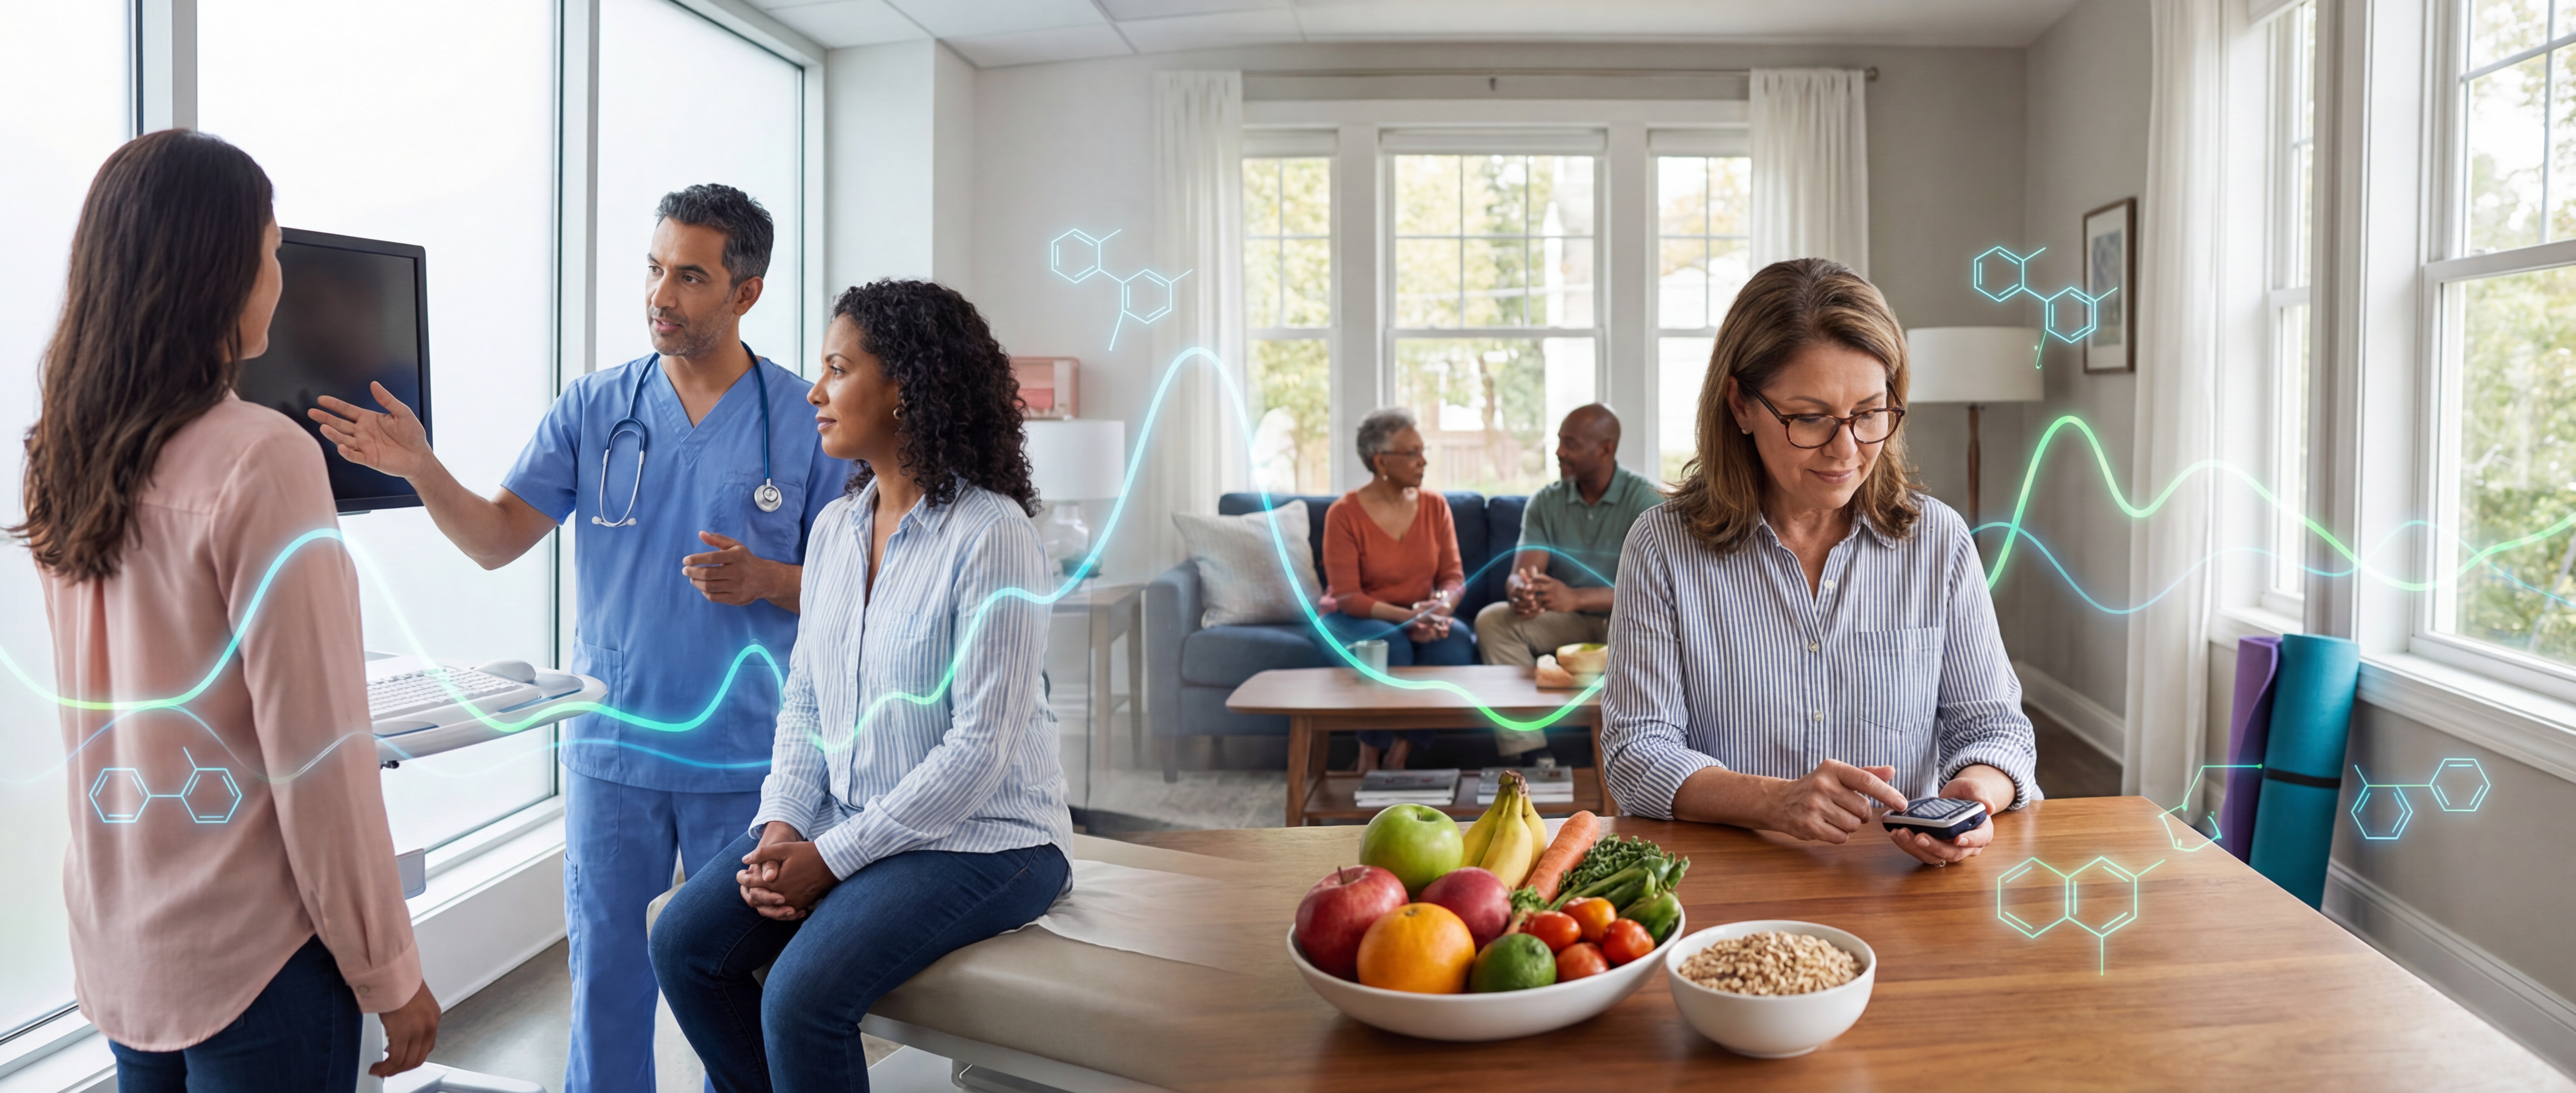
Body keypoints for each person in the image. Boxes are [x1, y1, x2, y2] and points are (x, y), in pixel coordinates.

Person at [310, 185, 851, 1093]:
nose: (660, 295)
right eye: (653, 269)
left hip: (748, 763)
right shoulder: (596, 407)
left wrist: (768, 580)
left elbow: (856, 595)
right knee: (606, 981)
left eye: (689, 276)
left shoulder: (807, 419)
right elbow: (493, 540)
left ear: (745, 293)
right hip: (613, 750)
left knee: (740, 991)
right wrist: (418, 467)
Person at [11, 130, 436, 1089]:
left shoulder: (62, 455)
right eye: (273, 252)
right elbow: (319, 757)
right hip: (259, 957)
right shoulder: (264, 456)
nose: (278, 280)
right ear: (219, 269)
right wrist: (389, 969)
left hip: (125, 940)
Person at [650, 280, 1071, 1091]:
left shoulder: (995, 538)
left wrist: (832, 860)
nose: (815, 392)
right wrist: (781, 826)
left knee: (802, 998)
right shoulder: (837, 530)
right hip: (851, 818)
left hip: (992, 840)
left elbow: (980, 752)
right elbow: (806, 699)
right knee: (685, 944)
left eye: (838, 369)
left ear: (905, 389)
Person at [1599, 257, 2041, 867]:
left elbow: (1997, 731)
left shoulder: (1937, 541)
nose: (1845, 449)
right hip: (1731, 888)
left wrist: (1975, 796)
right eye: (1809, 418)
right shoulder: (1662, 548)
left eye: (1868, 413)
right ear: (1741, 405)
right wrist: (1773, 802)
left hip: (1900, 885)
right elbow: (1636, 754)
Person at [1474, 404, 1661, 760]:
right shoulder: (1546, 502)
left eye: (1571, 444)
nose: (1560, 452)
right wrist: (1522, 592)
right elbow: (1522, 571)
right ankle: (1527, 754)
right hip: (1567, 625)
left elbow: (1658, 591)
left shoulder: (1647, 500)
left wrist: (1576, 597)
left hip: (1628, 626)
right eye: (1560, 442)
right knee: (1494, 620)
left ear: (1606, 449)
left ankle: (1640, 754)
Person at [1316, 407, 1473, 772]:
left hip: (1415, 612)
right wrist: (1409, 618)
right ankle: (1369, 756)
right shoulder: (1343, 514)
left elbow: (1454, 576)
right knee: (1390, 644)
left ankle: (1399, 756)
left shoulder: (1436, 507)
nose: (1423, 462)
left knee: (1456, 641)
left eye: (1423, 450)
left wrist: (1442, 609)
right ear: (1381, 461)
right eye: (1413, 453)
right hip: (1354, 616)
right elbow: (1349, 597)